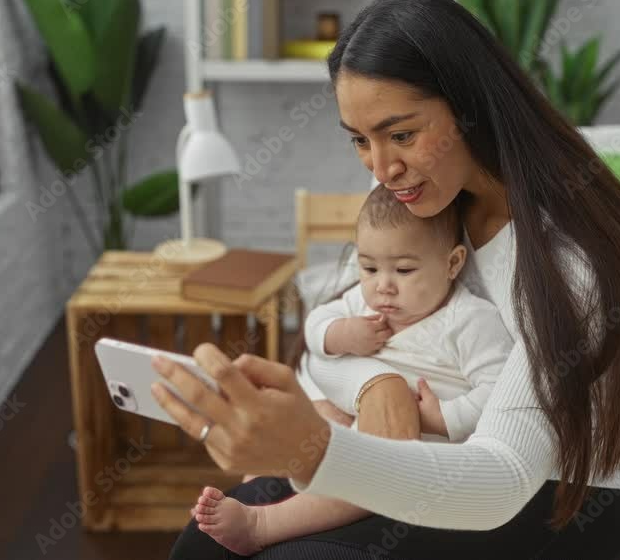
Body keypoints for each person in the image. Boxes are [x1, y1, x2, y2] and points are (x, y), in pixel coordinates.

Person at [151, 0, 620, 557]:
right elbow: (323, 351)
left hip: (554, 499)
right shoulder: (427, 202)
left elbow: (500, 481)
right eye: (360, 139)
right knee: (204, 543)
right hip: (424, 452)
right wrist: (378, 385)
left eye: (400, 135)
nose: (381, 168)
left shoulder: (569, 262)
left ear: (469, 108)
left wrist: (317, 448)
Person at [192, 184, 512, 555]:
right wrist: (340, 334)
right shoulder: (360, 302)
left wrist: (446, 419)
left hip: (413, 459)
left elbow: (497, 391)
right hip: (352, 423)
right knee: (293, 426)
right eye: (369, 267)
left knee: (359, 479)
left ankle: (262, 525)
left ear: (452, 263)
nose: (383, 286)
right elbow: (315, 326)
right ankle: (254, 488)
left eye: (404, 270)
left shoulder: (470, 321)